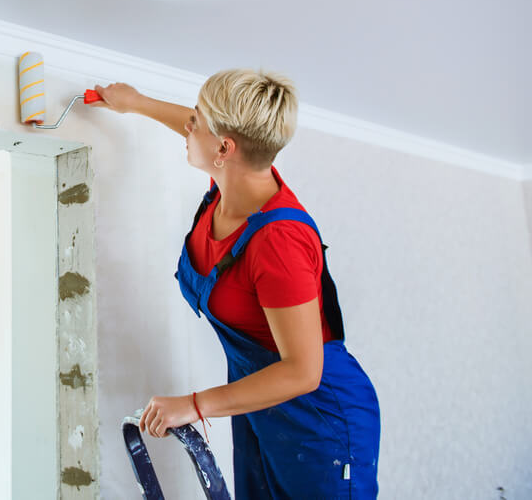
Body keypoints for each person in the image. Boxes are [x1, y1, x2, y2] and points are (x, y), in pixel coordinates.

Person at [92, 70, 380, 499]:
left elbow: (303, 371)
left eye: (197, 121)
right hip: (263, 406)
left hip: (320, 421)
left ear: (225, 148)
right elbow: (201, 127)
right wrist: (135, 102)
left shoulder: (277, 243)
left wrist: (193, 405)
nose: (188, 125)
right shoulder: (233, 183)